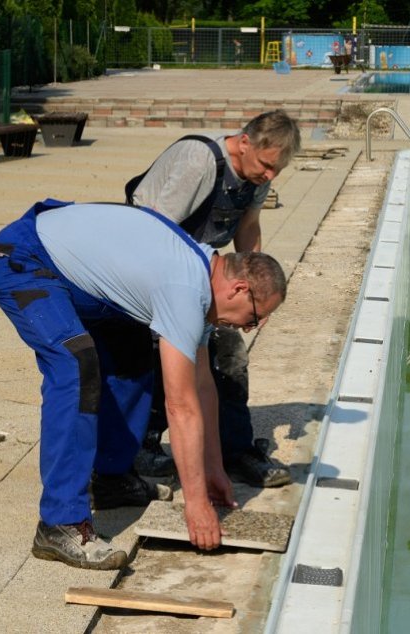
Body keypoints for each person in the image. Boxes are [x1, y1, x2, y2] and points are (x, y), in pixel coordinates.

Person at [0, 199, 287, 569]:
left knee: (133, 355)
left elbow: (202, 385)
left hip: (75, 277)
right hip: (23, 260)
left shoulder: (206, 274)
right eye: (255, 318)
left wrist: (213, 468)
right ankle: (60, 523)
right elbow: (181, 406)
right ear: (239, 289)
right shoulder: (185, 286)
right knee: (76, 366)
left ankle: (111, 480)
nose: (249, 328)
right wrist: (196, 504)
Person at [122, 109, 301, 489]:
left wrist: (256, 290)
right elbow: (157, 229)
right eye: (267, 166)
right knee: (158, 357)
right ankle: (142, 445)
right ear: (245, 141)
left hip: (204, 274)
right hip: (158, 269)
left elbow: (248, 228)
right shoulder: (201, 161)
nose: (269, 177)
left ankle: (236, 451)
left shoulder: (257, 177)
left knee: (231, 358)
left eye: (277, 172)